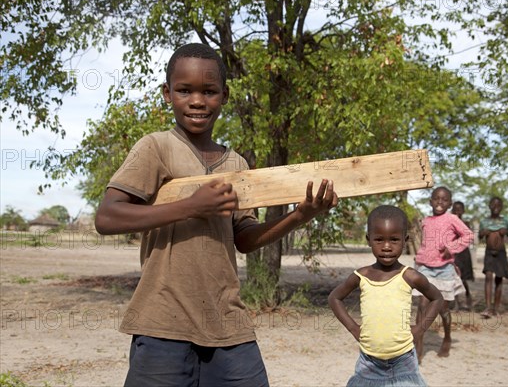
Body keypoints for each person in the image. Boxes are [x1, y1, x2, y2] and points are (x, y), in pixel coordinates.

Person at [94, 43, 338, 386]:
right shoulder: (156, 147)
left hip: (228, 323)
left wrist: (301, 214)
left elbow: (245, 238)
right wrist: (192, 206)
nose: (197, 101)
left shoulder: (236, 164)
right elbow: (107, 217)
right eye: (184, 90)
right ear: (168, 93)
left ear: (223, 96)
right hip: (162, 322)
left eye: (209, 91)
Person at [328, 205, 443, 387]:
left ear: (405, 240)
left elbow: (437, 298)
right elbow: (334, 298)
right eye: (379, 240)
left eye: (394, 240)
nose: (387, 247)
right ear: (368, 240)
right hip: (369, 361)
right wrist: (354, 329)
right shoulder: (362, 276)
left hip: (403, 359)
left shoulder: (410, 276)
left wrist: (420, 330)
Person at [413, 187, 473, 361]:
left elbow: (468, 235)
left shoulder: (452, 219)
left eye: (444, 199)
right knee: (422, 304)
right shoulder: (425, 221)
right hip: (425, 267)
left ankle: (447, 337)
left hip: (444, 268)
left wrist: (451, 248)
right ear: (430, 201)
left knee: (443, 308)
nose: (440, 202)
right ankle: (418, 345)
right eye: (436, 199)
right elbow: (425, 244)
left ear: (450, 203)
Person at [478, 196, 508, 318]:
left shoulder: (506, 221)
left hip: (501, 252)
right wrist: (483, 233)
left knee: (499, 278)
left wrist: (506, 232)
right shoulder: (484, 221)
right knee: (488, 276)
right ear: (489, 206)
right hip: (489, 252)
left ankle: (496, 308)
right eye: (493, 205)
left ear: (502, 207)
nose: (495, 208)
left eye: (498, 205)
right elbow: (479, 236)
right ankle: (488, 307)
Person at [451, 201, 475, 310]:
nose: (457, 211)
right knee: (454, 277)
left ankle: (468, 295)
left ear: (463, 211)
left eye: (459, 209)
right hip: (453, 253)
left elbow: (467, 237)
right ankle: (457, 302)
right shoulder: (450, 223)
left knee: (463, 278)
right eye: (455, 209)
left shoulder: (466, 223)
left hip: (463, 253)